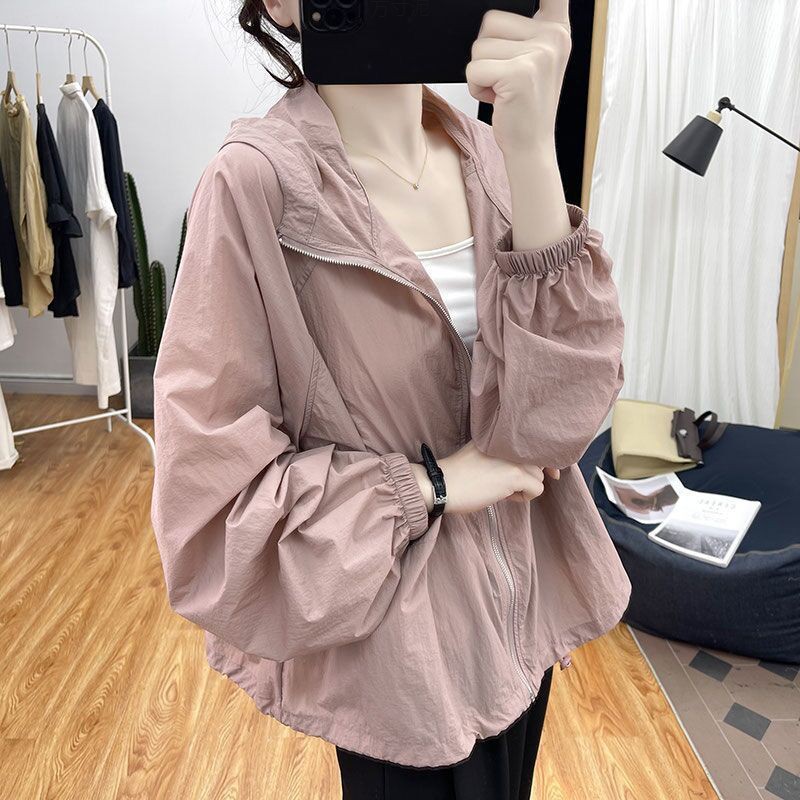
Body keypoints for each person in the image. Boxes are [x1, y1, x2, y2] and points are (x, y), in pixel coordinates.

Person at [150, 0, 632, 797]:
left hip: (522, 619)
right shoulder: (254, 187)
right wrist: (433, 483)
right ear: (279, 4)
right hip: (396, 658)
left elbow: (560, 423)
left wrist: (532, 148)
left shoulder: (488, 152)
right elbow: (210, 513)